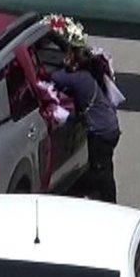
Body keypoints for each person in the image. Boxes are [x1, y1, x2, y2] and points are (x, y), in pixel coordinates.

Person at [51, 37, 121, 203]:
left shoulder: (78, 79)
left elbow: (55, 77)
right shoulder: (89, 75)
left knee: (100, 170)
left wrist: (63, 65)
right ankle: (107, 198)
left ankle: (109, 202)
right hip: (110, 127)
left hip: (101, 132)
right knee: (105, 166)